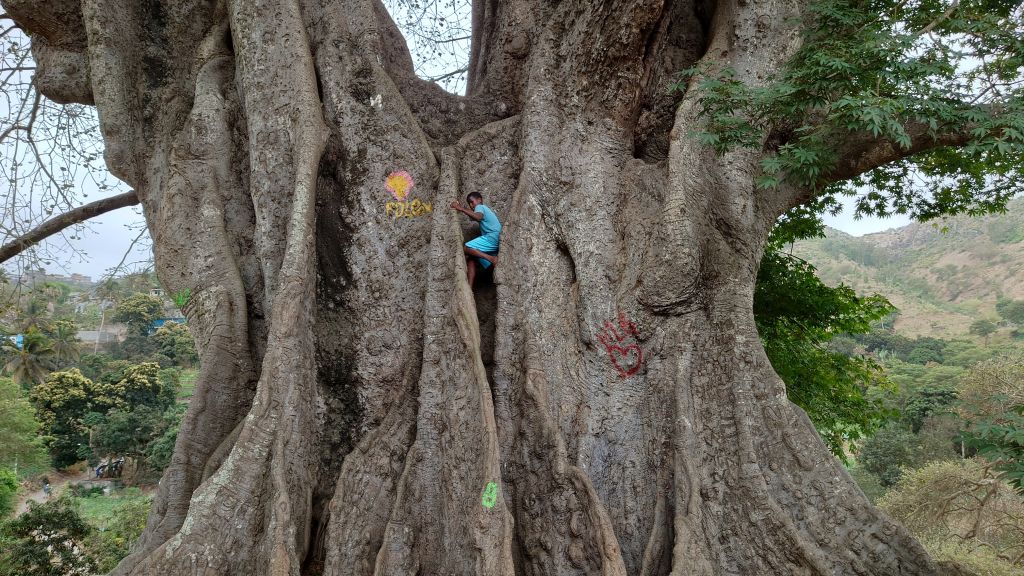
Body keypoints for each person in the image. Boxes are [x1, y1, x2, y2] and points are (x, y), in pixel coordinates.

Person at [451, 192, 501, 286]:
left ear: (479, 200)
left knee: (466, 248)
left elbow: (478, 217)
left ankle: (491, 258)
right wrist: (460, 209)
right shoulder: (483, 210)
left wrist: (460, 208)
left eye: (472, 202)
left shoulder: (480, 207)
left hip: (492, 237)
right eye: (469, 203)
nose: (471, 205)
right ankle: (469, 289)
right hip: (496, 240)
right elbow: (473, 217)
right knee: (471, 259)